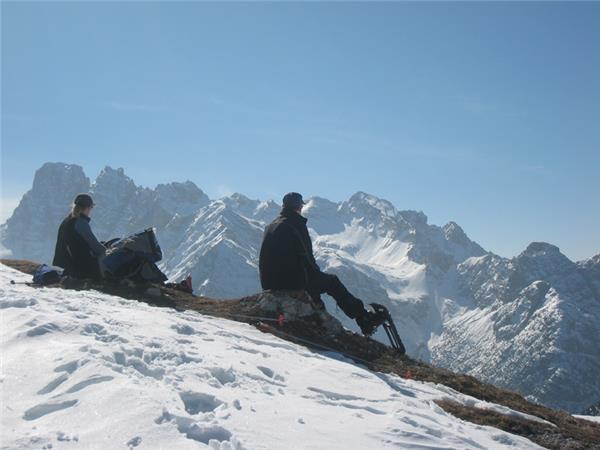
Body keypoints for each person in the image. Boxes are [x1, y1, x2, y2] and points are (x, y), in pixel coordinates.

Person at [259, 192, 383, 335]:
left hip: (269, 284)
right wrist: (317, 277)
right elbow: (306, 257)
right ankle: (364, 319)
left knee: (316, 286)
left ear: (284, 206)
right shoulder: (295, 225)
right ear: (299, 206)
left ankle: (321, 313)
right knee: (332, 282)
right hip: (290, 283)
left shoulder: (271, 225)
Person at [53, 193, 106, 279]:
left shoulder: (67, 221)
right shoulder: (81, 223)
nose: (91, 210)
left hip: (70, 266)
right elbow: (96, 247)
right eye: (91, 207)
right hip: (83, 267)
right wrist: (108, 251)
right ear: (87, 208)